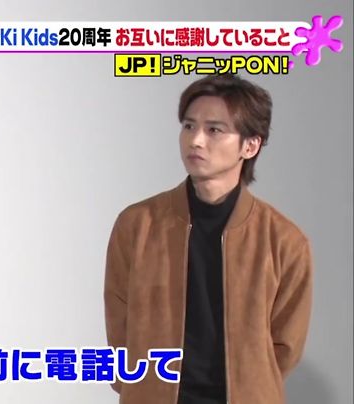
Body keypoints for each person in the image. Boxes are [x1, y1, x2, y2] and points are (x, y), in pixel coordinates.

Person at [104, 73, 313, 404]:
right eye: (189, 126)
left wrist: (250, 386)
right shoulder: (137, 225)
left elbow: (285, 345)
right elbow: (119, 319)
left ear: (250, 145)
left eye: (214, 130)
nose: (196, 140)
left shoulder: (284, 240)